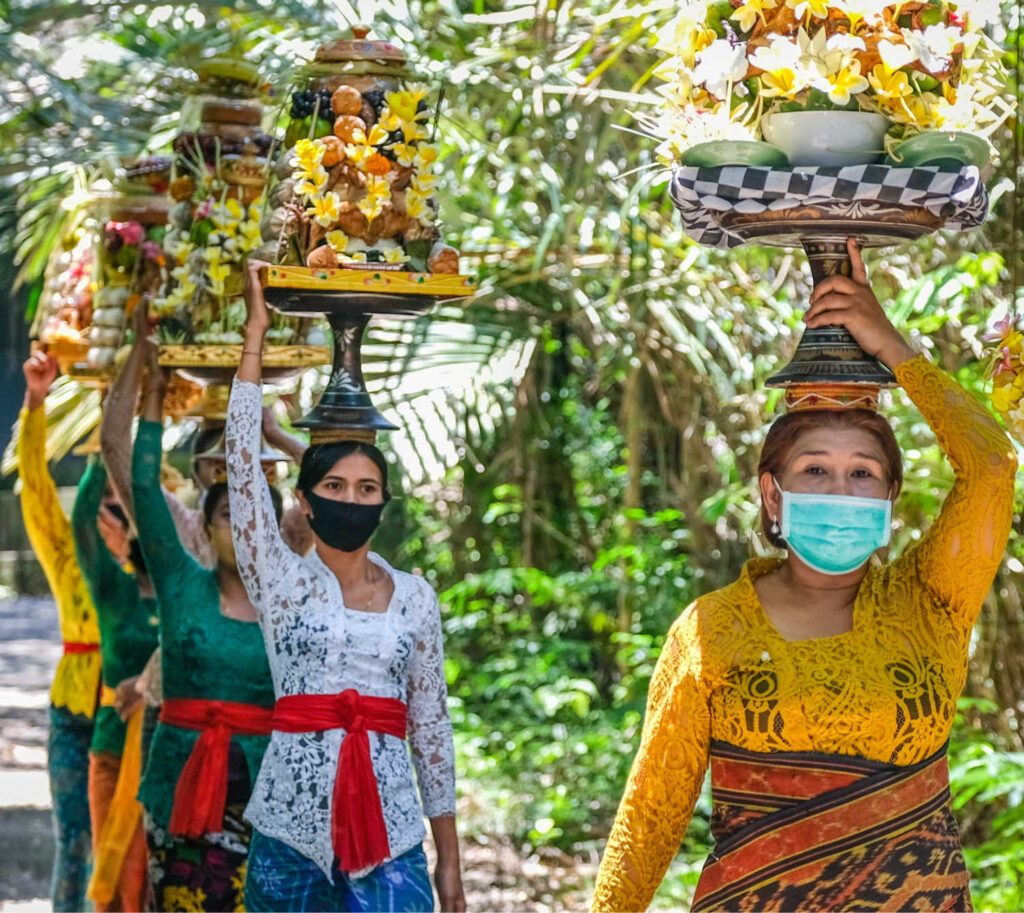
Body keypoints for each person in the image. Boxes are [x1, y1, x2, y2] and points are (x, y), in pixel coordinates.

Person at [591, 241, 1018, 913]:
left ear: (890, 495)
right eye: (815, 469)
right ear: (771, 493)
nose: (841, 490)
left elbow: (992, 467)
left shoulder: (930, 600)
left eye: (862, 473)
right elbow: (650, 819)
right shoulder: (712, 629)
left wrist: (895, 347)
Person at [224, 259, 465, 913]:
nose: (350, 499)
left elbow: (431, 730)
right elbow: (242, 467)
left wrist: (450, 864)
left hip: (391, 837)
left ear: (384, 502)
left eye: (366, 489)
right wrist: (254, 335)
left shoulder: (416, 596)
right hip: (287, 830)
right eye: (334, 487)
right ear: (304, 500)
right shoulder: (276, 579)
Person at [131, 343, 279, 912]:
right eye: (227, 514)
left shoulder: (293, 601)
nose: (241, 527)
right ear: (206, 526)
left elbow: (334, 491)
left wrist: (284, 437)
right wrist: (152, 387)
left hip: (266, 797)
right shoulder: (181, 583)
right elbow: (144, 487)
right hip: (178, 785)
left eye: (255, 515)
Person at [16, 350, 99, 911]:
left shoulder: (156, 565)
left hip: (134, 713)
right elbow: (36, 490)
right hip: (74, 710)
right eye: (104, 504)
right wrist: (35, 405)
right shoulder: (70, 558)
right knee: (74, 842)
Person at [71, 458, 158, 911]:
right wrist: (99, 459)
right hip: (110, 750)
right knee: (112, 878)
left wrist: (145, 685)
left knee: (148, 884)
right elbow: (82, 525)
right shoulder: (113, 589)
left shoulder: (183, 593)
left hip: (163, 758)